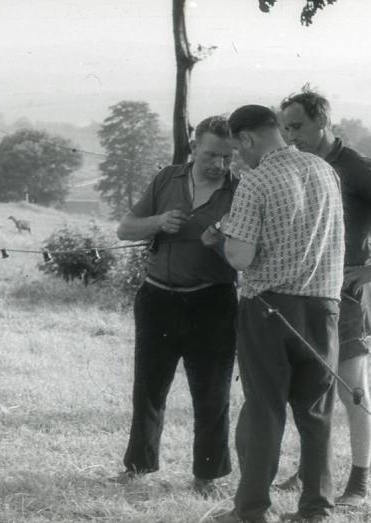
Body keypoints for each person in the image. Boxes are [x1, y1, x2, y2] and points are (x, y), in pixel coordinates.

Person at [274, 86, 371, 507]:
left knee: (351, 387)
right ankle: (309, 470)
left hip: (348, 295)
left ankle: (358, 483)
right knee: (307, 386)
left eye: (299, 126)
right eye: (285, 128)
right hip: (304, 291)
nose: (291, 136)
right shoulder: (296, 164)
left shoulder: (355, 166)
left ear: (323, 121)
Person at [214, 104, 345, 523]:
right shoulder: (326, 172)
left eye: (237, 149)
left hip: (269, 308)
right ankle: (317, 509)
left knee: (265, 410)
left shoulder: (255, 181)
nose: (238, 158)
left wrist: (220, 237)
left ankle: (251, 510)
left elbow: (239, 256)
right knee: (317, 414)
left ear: (247, 138)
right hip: (324, 308)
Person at [114, 115, 239, 496]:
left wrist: (218, 243)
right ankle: (138, 467)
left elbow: (247, 258)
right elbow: (125, 228)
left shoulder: (242, 190)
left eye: (227, 156)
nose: (219, 164)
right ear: (193, 149)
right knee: (149, 387)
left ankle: (207, 477)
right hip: (157, 298)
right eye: (211, 155)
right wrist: (158, 221)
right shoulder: (166, 179)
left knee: (212, 392)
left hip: (212, 301)